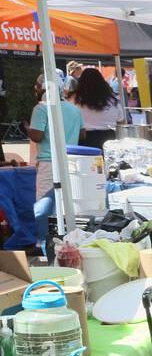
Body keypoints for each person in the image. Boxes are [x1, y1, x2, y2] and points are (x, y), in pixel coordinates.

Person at [27, 73, 82, 250]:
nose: (35, 88)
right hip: (70, 162)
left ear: (44, 88)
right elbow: (83, 134)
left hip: (49, 163)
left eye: (37, 85)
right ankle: (67, 243)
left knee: (43, 209)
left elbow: (37, 135)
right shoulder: (74, 109)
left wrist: (27, 127)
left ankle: (46, 246)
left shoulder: (41, 109)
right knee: (66, 207)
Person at [70, 67, 120, 150]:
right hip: (109, 139)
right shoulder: (113, 101)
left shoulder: (73, 100)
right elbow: (121, 121)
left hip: (83, 140)